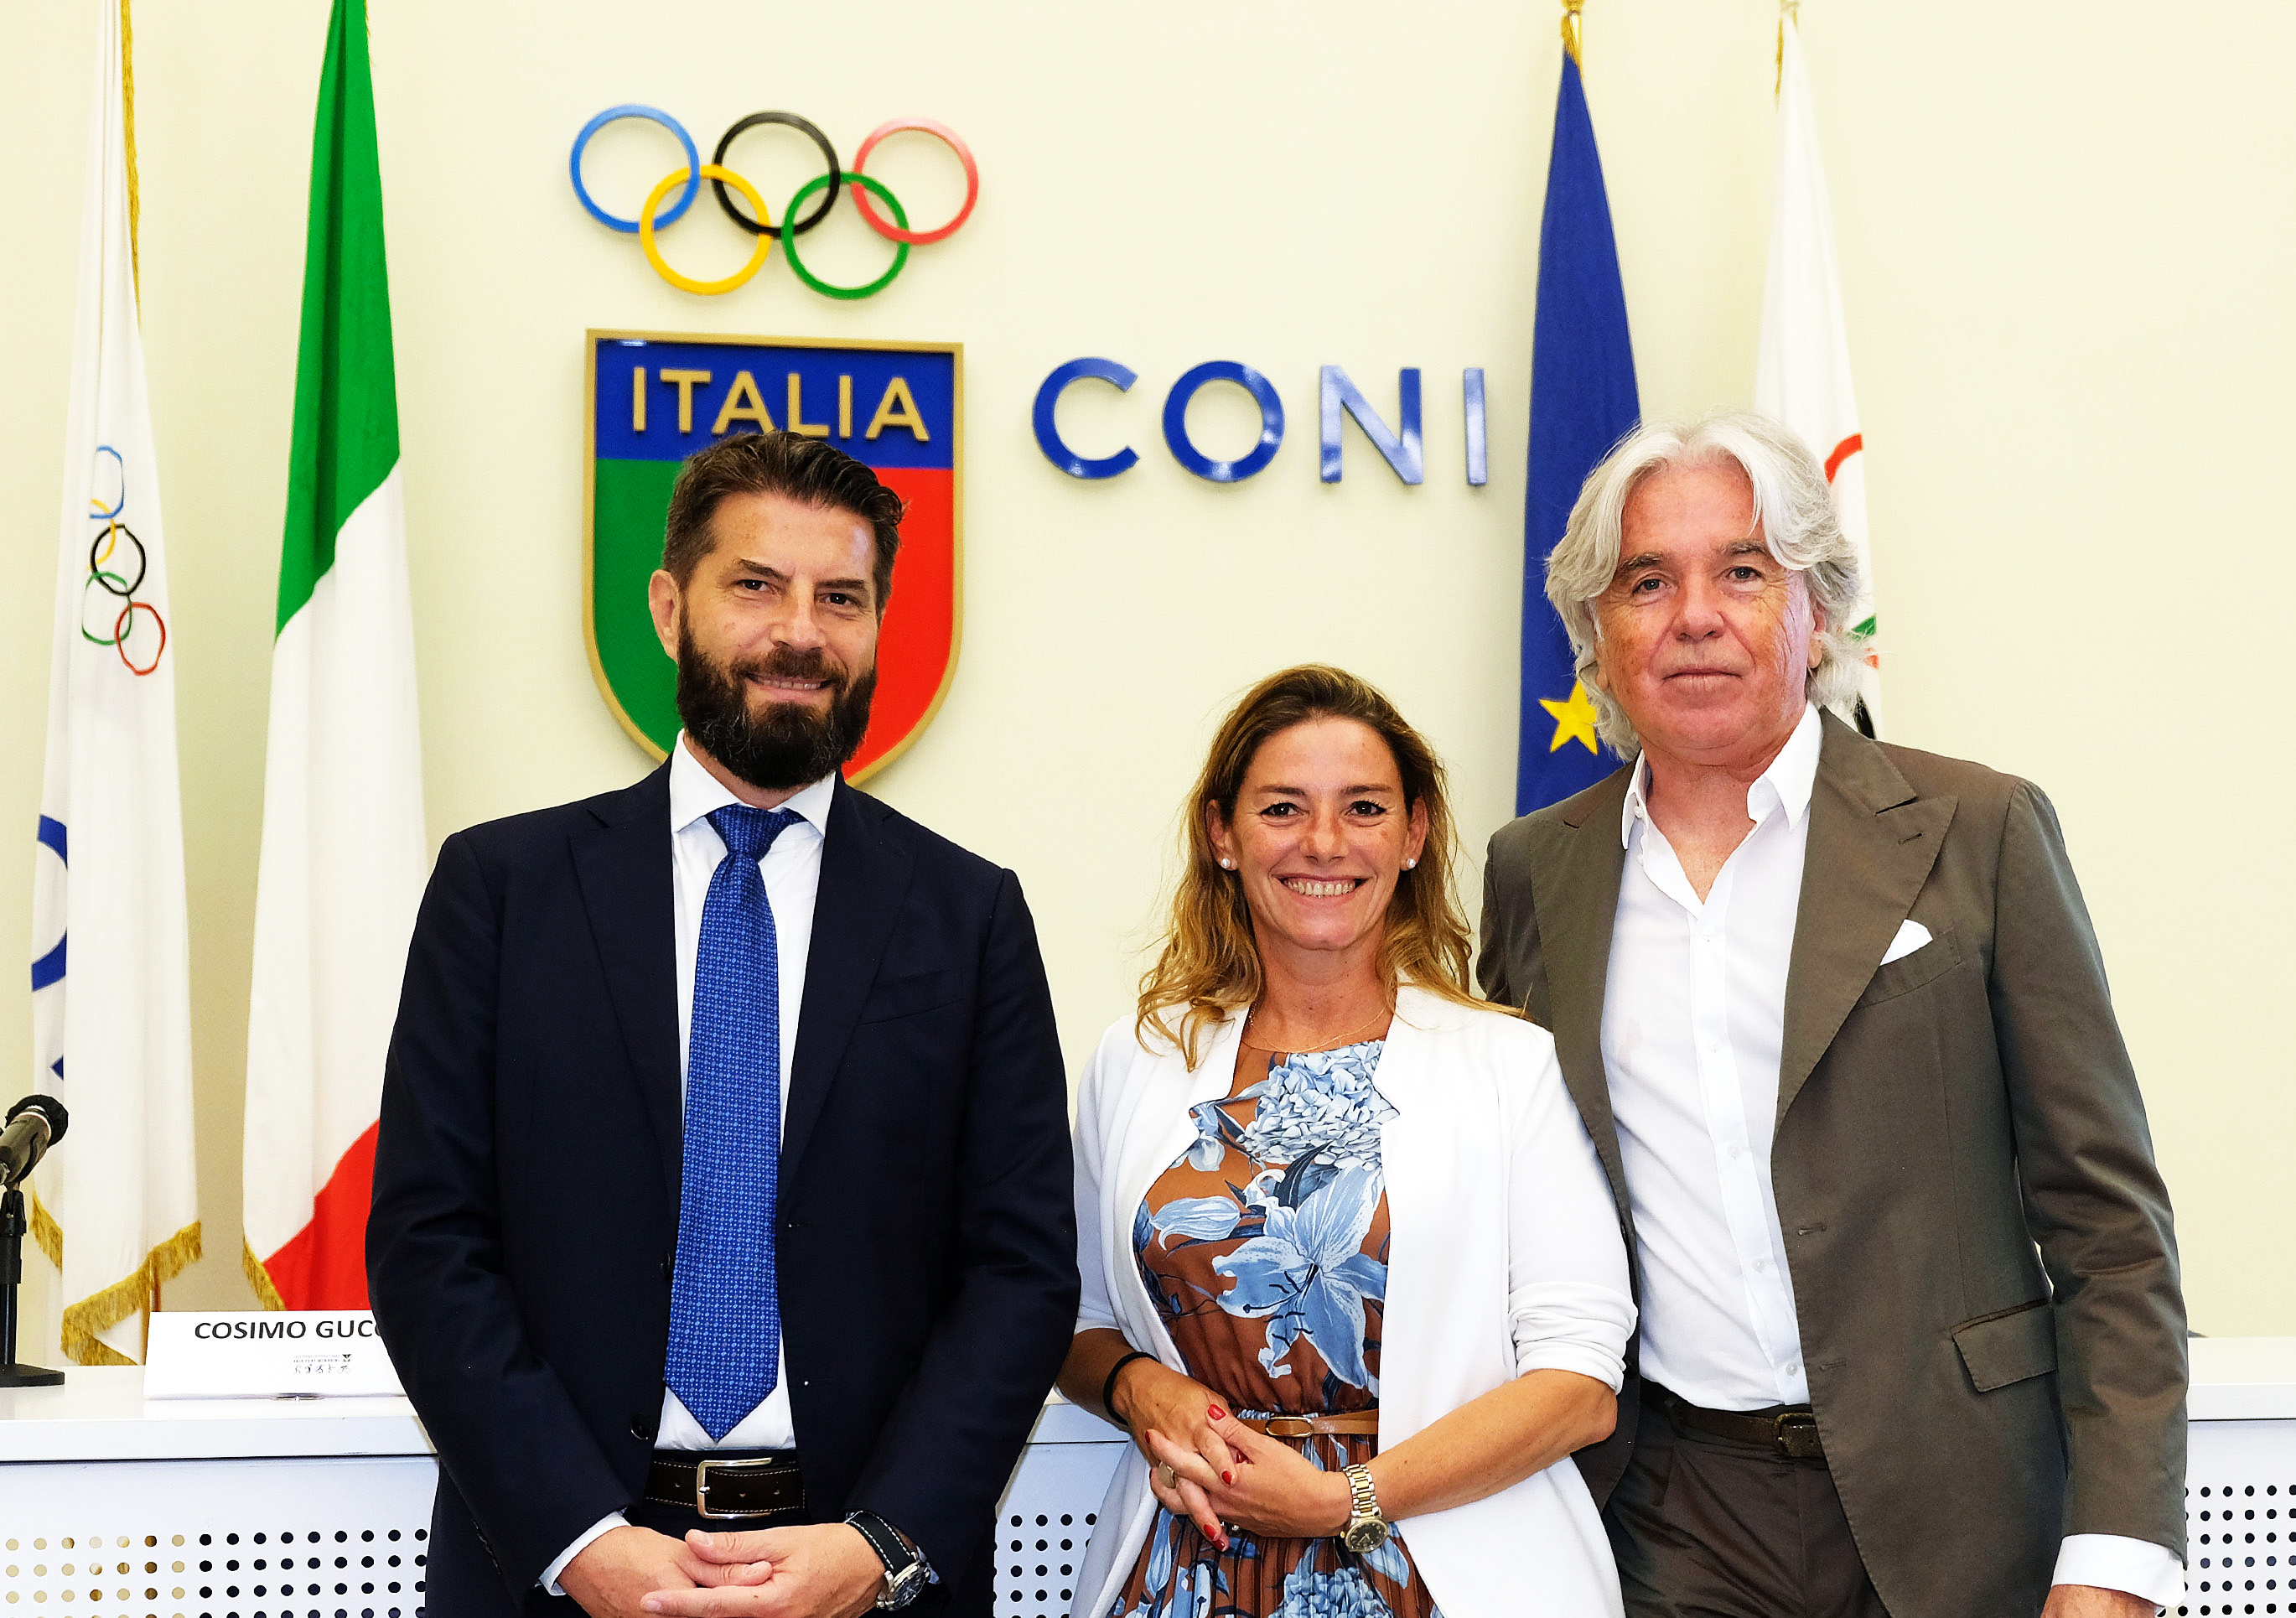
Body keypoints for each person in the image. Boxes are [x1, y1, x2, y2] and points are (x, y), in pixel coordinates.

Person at [1477, 408, 2186, 1618]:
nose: (1693, 615)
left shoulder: (1980, 831)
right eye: (1647, 581)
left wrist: (2115, 1558)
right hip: (1671, 1516)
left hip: (1962, 1500)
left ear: (1816, 614)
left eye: (1741, 572)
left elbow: (2107, 1227)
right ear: (1594, 633)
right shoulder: (1533, 869)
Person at [367, 430, 1078, 1618]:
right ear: (667, 608)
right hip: (556, 1570)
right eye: (755, 585)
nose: (799, 632)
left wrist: (881, 1543)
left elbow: (1020, 1269)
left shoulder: (970, 916)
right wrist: (579, 1539)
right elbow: (428, 1239)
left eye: (840, 597)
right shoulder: (501, 891)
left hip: (859, 1575)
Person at [1060, 664, 1637, 1618]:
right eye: (1282, 808)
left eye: (1363, 808)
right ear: (1222, 835)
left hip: (1436, 1568)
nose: (1323, 842)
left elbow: (1579, 1384)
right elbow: (1072, 1319)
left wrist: (1342, 1501)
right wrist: (1140, 1387)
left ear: (1413, 834)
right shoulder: (1140, 1057)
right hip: (1189, 1564)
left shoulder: (1509, 1064)